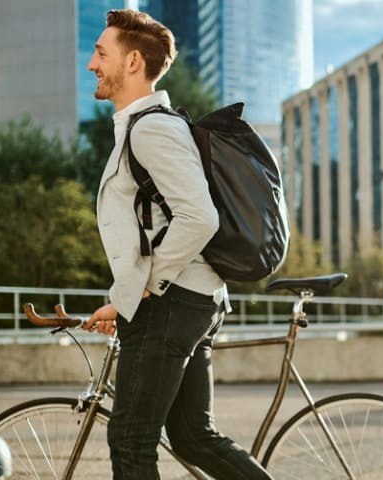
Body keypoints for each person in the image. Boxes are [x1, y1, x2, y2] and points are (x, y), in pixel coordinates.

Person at [81, 9, 272, 479]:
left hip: (172, 304)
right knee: (192, 436)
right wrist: (121, 299)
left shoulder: (153, 128)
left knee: (131, 439)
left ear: (132, 64)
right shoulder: (142, 126)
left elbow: (198, 218)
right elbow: (158, 225)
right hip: (188, 298)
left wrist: (142, 288)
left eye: (101, 53)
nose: (91, 63)